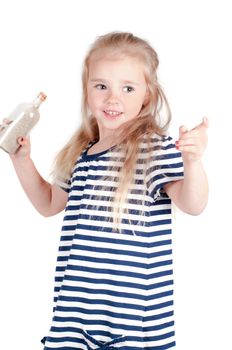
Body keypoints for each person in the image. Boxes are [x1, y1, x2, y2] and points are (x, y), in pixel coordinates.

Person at [5, 32, 208, 349]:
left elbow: (193, 204)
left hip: (129, 320)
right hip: (76, 310)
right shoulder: (80, 153)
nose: (113, 99)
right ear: (87, 91)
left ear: (147, 96)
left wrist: (193, 162)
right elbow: (48, 204)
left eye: (128, 88)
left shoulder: (154, 149)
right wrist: (21, 160)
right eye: (101, 86)